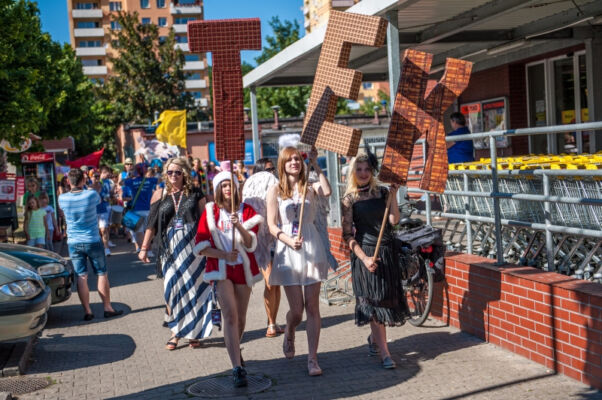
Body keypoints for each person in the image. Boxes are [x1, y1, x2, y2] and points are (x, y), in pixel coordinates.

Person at [266, 145, 332, 377]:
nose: (294, 162)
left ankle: (312, 358)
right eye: (289, 159)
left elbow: (327, 191)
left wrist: (316, 165)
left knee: (312, 306)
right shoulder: (275, 190)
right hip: (288, 250)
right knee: (297, 310)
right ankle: (290, 330)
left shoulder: (310, 187)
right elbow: (271, 225)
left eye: (297, 159)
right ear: (282, 164)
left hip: (311, 246)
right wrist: (287, 240)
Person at [341, 153, 410, 369]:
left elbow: (394, 221)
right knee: (375, 303)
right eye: (359, 169)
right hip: (365, 254)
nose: (363, 173)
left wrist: (394, 196)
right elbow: (347, 235)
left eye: (367, 169)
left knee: (385, 301)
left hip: (387, 252)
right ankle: (385, 353)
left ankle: (374, 340)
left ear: (372, 171)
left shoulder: (382, 192)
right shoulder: (349, 199)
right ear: (353, 172)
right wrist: (364, 258)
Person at [194, 171, 263, 388]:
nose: (227, 188)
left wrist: (239, 225)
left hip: (243, 269)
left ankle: (235, 348)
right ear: (217, 189)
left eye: (230, 184)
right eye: (223, 185)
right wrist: (223, 255)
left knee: (240, 319)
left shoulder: (246, 210)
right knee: (230, 316)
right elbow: (201, 245)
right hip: (220, 270)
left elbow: (251, 244)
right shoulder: (210, 211)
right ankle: (237, 368)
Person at [139, 157, 211, 350]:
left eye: (177, 172)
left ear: (184, 173)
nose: (173, 175)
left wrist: (210, 245)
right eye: (170, 172)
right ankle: (175, 331)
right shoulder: (160, 194)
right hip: (169, 248)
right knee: (171, 289)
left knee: (193, 287)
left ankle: (193, 332)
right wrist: (144, 248)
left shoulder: (195, 192)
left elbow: (205, 220)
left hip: (193, 248)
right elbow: (151, 223)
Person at [58, 168, 122, 321]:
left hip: (74, 242)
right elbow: (98, 199)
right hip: (92, 239)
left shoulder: (62, 198)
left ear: (68, 182)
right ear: (83, 180)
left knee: (81, 276)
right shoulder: (91, 194)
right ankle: (107, 308)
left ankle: (88, 311)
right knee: (101, 273)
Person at [242, 158, 283, 338]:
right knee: (271, 280)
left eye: (273, 169)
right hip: (261, 238)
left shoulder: (276, 185)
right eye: (268, 169)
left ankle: (272, 321)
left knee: (276, 283)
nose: (271, 172)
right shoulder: (250, 186)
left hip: (277, 237)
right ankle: (271, 324)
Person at [122, 164, 158, 252]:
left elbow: (121, 182)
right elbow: (161, 179)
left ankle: (144, 250)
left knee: (139, 232)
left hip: (136, 210)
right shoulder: (150, 180)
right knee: (148, 230)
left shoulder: (131, 181)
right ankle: (149, 250)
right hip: (148, 209)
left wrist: (130, 175)